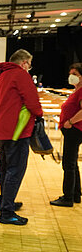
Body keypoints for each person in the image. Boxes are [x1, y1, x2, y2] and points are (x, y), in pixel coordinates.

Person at [0, 49, 43, 225]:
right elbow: (33, 102)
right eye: (29, 64)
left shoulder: (0, 77)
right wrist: (39, 114)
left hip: (0, 131)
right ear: (24, 63)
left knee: (5, 168)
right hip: (16, 132)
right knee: (15, 170)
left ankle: (5, 201)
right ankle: (7, 212)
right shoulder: (20, 75)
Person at [50, 63, 82, 207]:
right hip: (72, 130)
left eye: (75, 74)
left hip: (74, 130)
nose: (71, 76)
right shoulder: (77, 91)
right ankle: (75, 194)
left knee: (68, 164)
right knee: (72, 163)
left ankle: (67, 197)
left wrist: (70, 121)